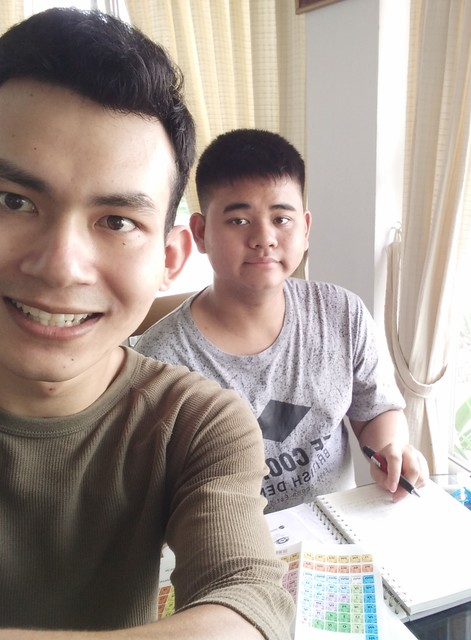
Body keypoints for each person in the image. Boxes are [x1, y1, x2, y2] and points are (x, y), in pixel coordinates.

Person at [0, 9, 293, 639]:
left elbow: (249, 604)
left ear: (169, 258)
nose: (61, 266)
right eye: (13, 201)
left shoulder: (193, 421)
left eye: (117, 221)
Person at [135, 128, 428, 514]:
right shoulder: (160, 363)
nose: (264, 238)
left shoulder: (342, 313)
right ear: (201, 233)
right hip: (227, 541)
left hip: (336, 528)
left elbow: (374, 410)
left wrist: (390, 448)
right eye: (239, 220)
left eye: (281, 219)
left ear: (305, 229)